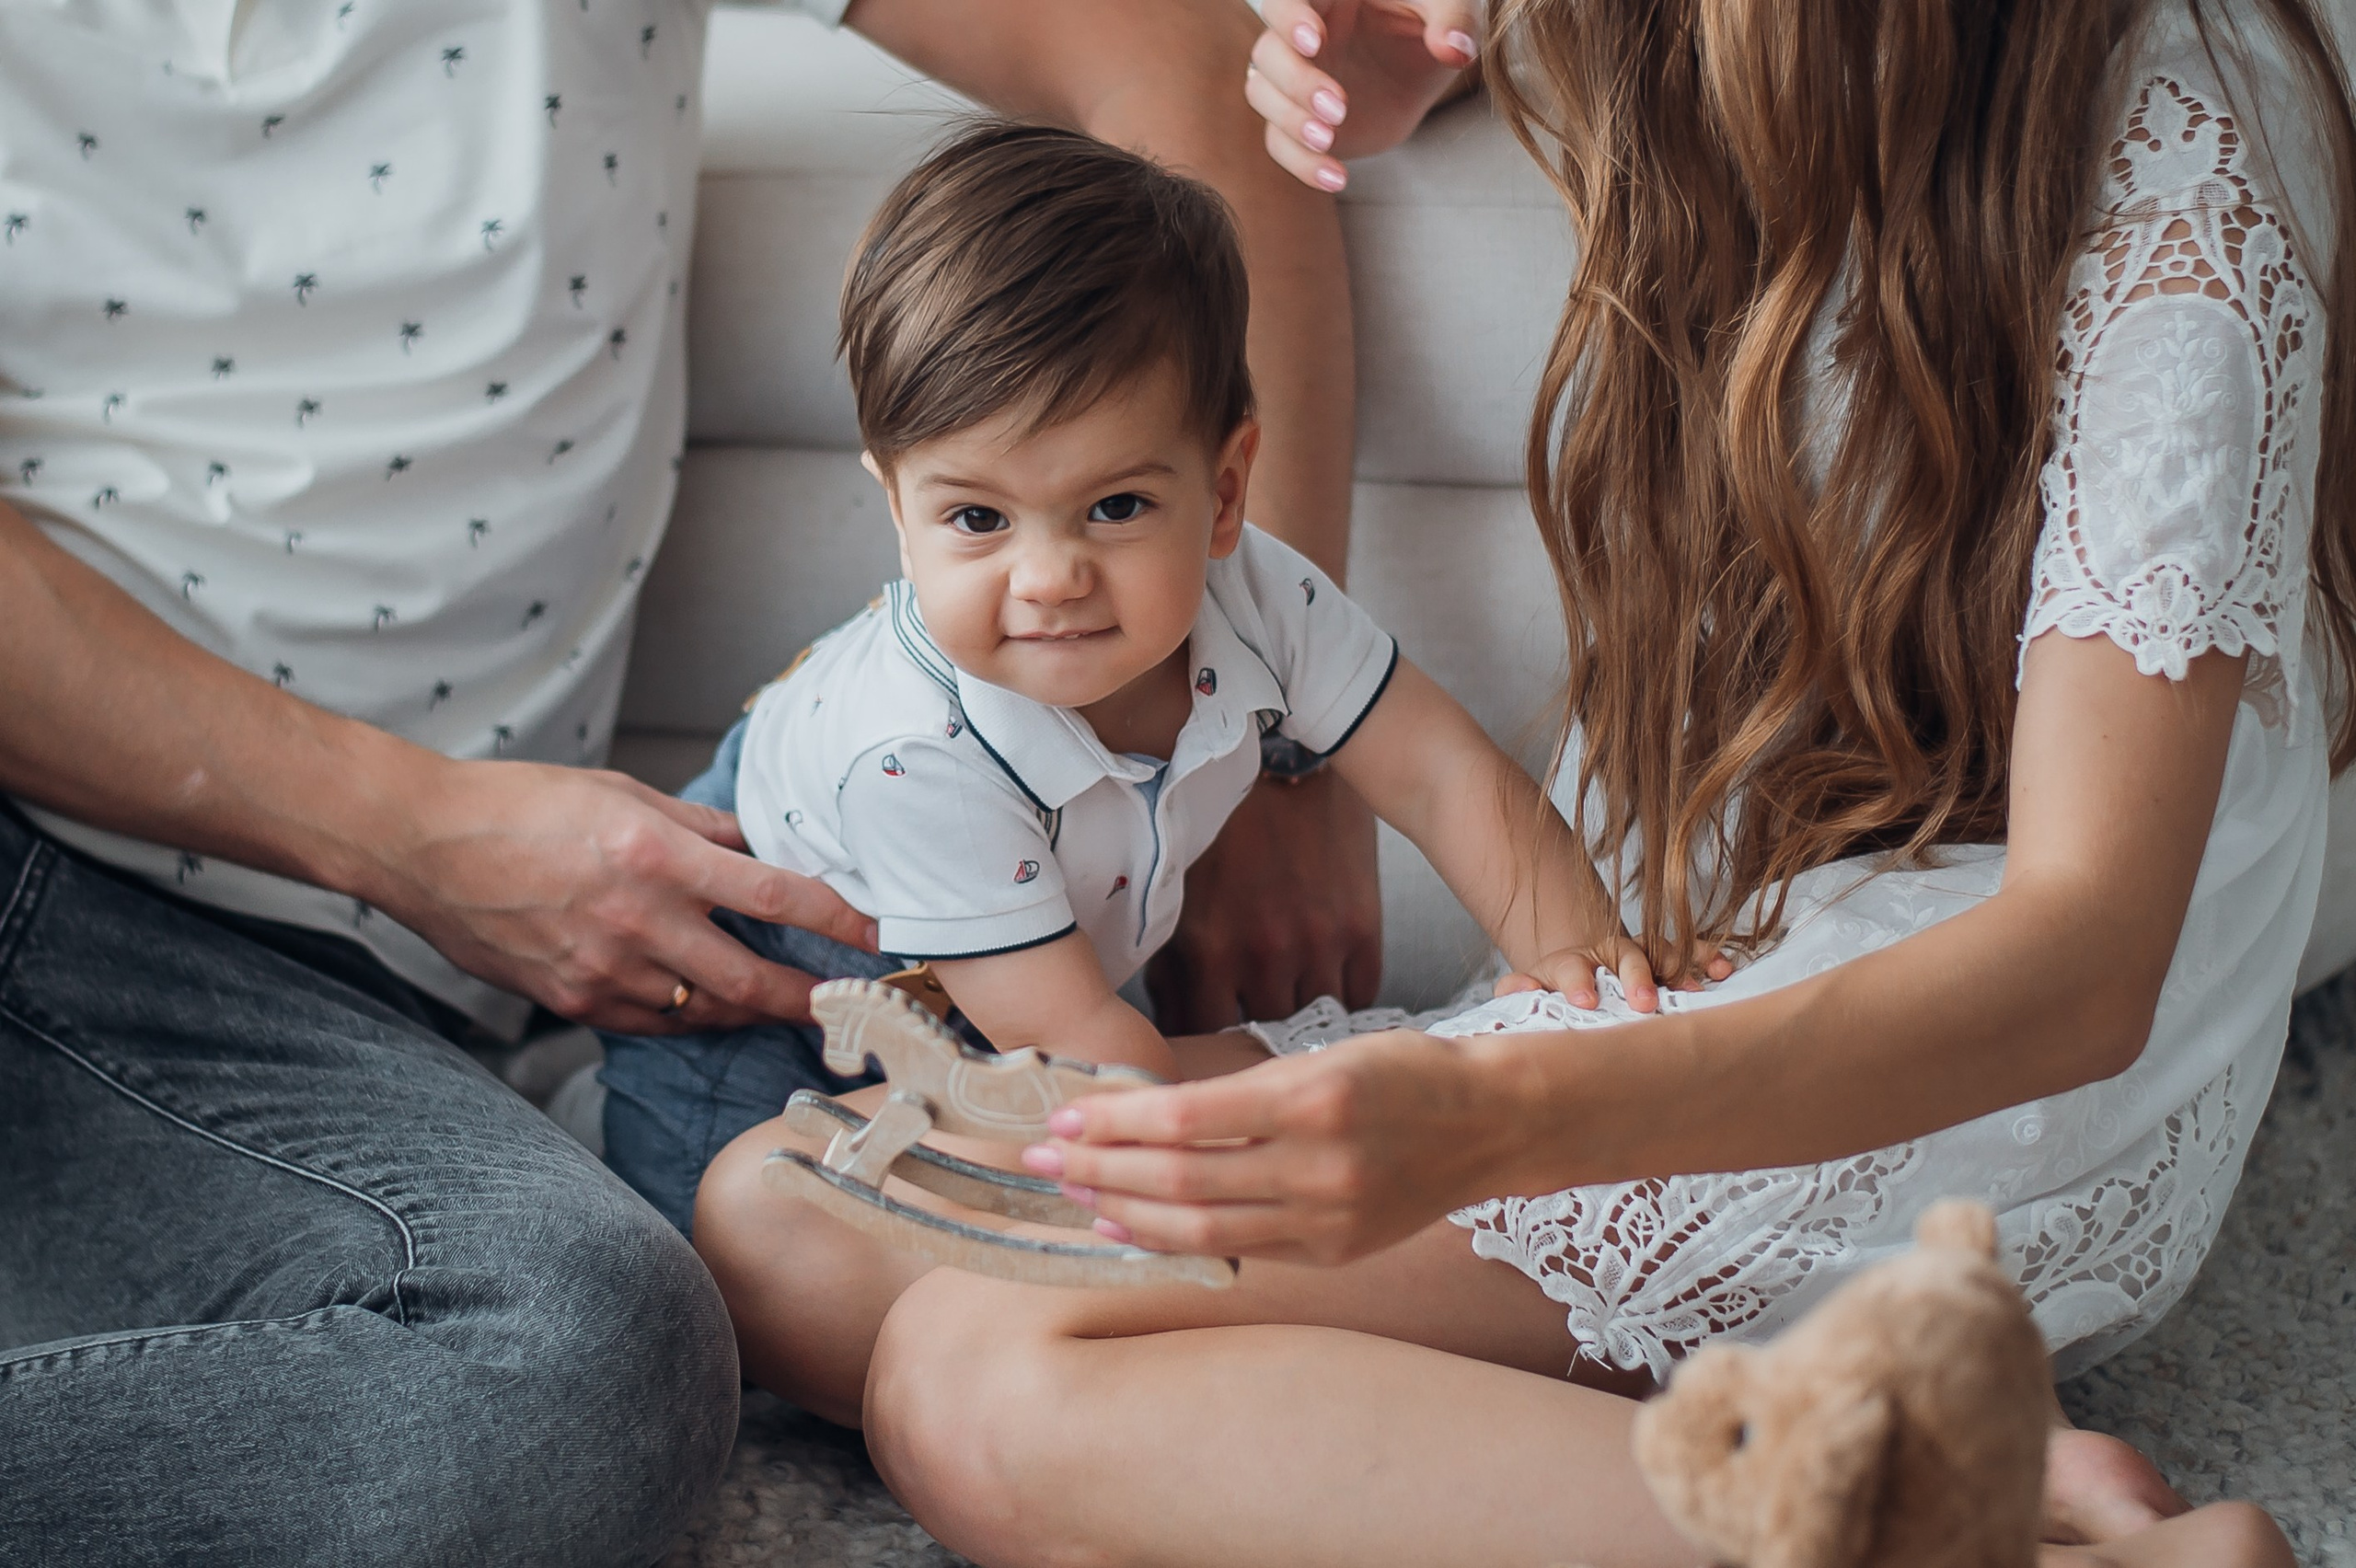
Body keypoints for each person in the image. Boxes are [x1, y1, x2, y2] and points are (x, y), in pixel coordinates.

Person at [694, 0, 2352, 1562]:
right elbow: (1356, 44)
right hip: (1690, 945)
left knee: (979, 1387)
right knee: (779, 1228)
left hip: (1959, 1041)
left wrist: (1491, 1121)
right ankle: (1894, 1432)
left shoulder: (2186, 158)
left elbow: (2083, 967)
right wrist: (1387, 59)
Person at [0, 2, 1370, 1558]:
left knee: (581, 1364)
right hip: (50, 836)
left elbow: (1184, 66)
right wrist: (412, 827)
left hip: (305, 1014)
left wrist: (1267, 731)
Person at [615, 122, 1703, 1237]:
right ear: (898, 512)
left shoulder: (1262, 596)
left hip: (1034, 964)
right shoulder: (914, 754)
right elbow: (1090, 1058)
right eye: (977, 519)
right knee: (747, 1269)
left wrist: (1577, 968)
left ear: (1226, 491)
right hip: (759, 1010)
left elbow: (1437, 772)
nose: (1049, 579)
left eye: (1116, 507)